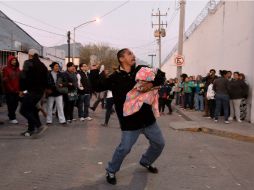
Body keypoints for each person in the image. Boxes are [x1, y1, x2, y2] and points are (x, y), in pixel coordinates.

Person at [89, 48, 165, 185]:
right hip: (129, 122)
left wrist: (151, 83)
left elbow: (161, 75)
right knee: (124, 148)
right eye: (129, 54)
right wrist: (94, 70)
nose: (133, 55)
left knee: (159, 144)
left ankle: (146, 161)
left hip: (148, 119)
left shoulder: (141, 70)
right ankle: (111, 170)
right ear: (121, 59)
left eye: (133, 53)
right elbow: (97, 86)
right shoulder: (115, 77)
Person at [19, 49, 48, 136]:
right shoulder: (43, 65)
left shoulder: (28, 63)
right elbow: (46, 80)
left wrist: (22, 90)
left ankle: (39, 126)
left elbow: (23, 77)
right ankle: (30, 130)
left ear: (30, 55)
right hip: (40, 92)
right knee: (31, 110)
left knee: (23, 110)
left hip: (31, 91)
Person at [2, 55, 21, 124]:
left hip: (17, 90)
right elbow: (5, 80)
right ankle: (12, 117)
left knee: (15, 104)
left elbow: (20, 79)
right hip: (9, 91)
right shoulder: (6, 69)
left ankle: (11, 115)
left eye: (15, 60)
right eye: (12, 60)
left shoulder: (18, 69)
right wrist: (10, 88)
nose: (14, 61)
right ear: (9, 61)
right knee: (10, 104)